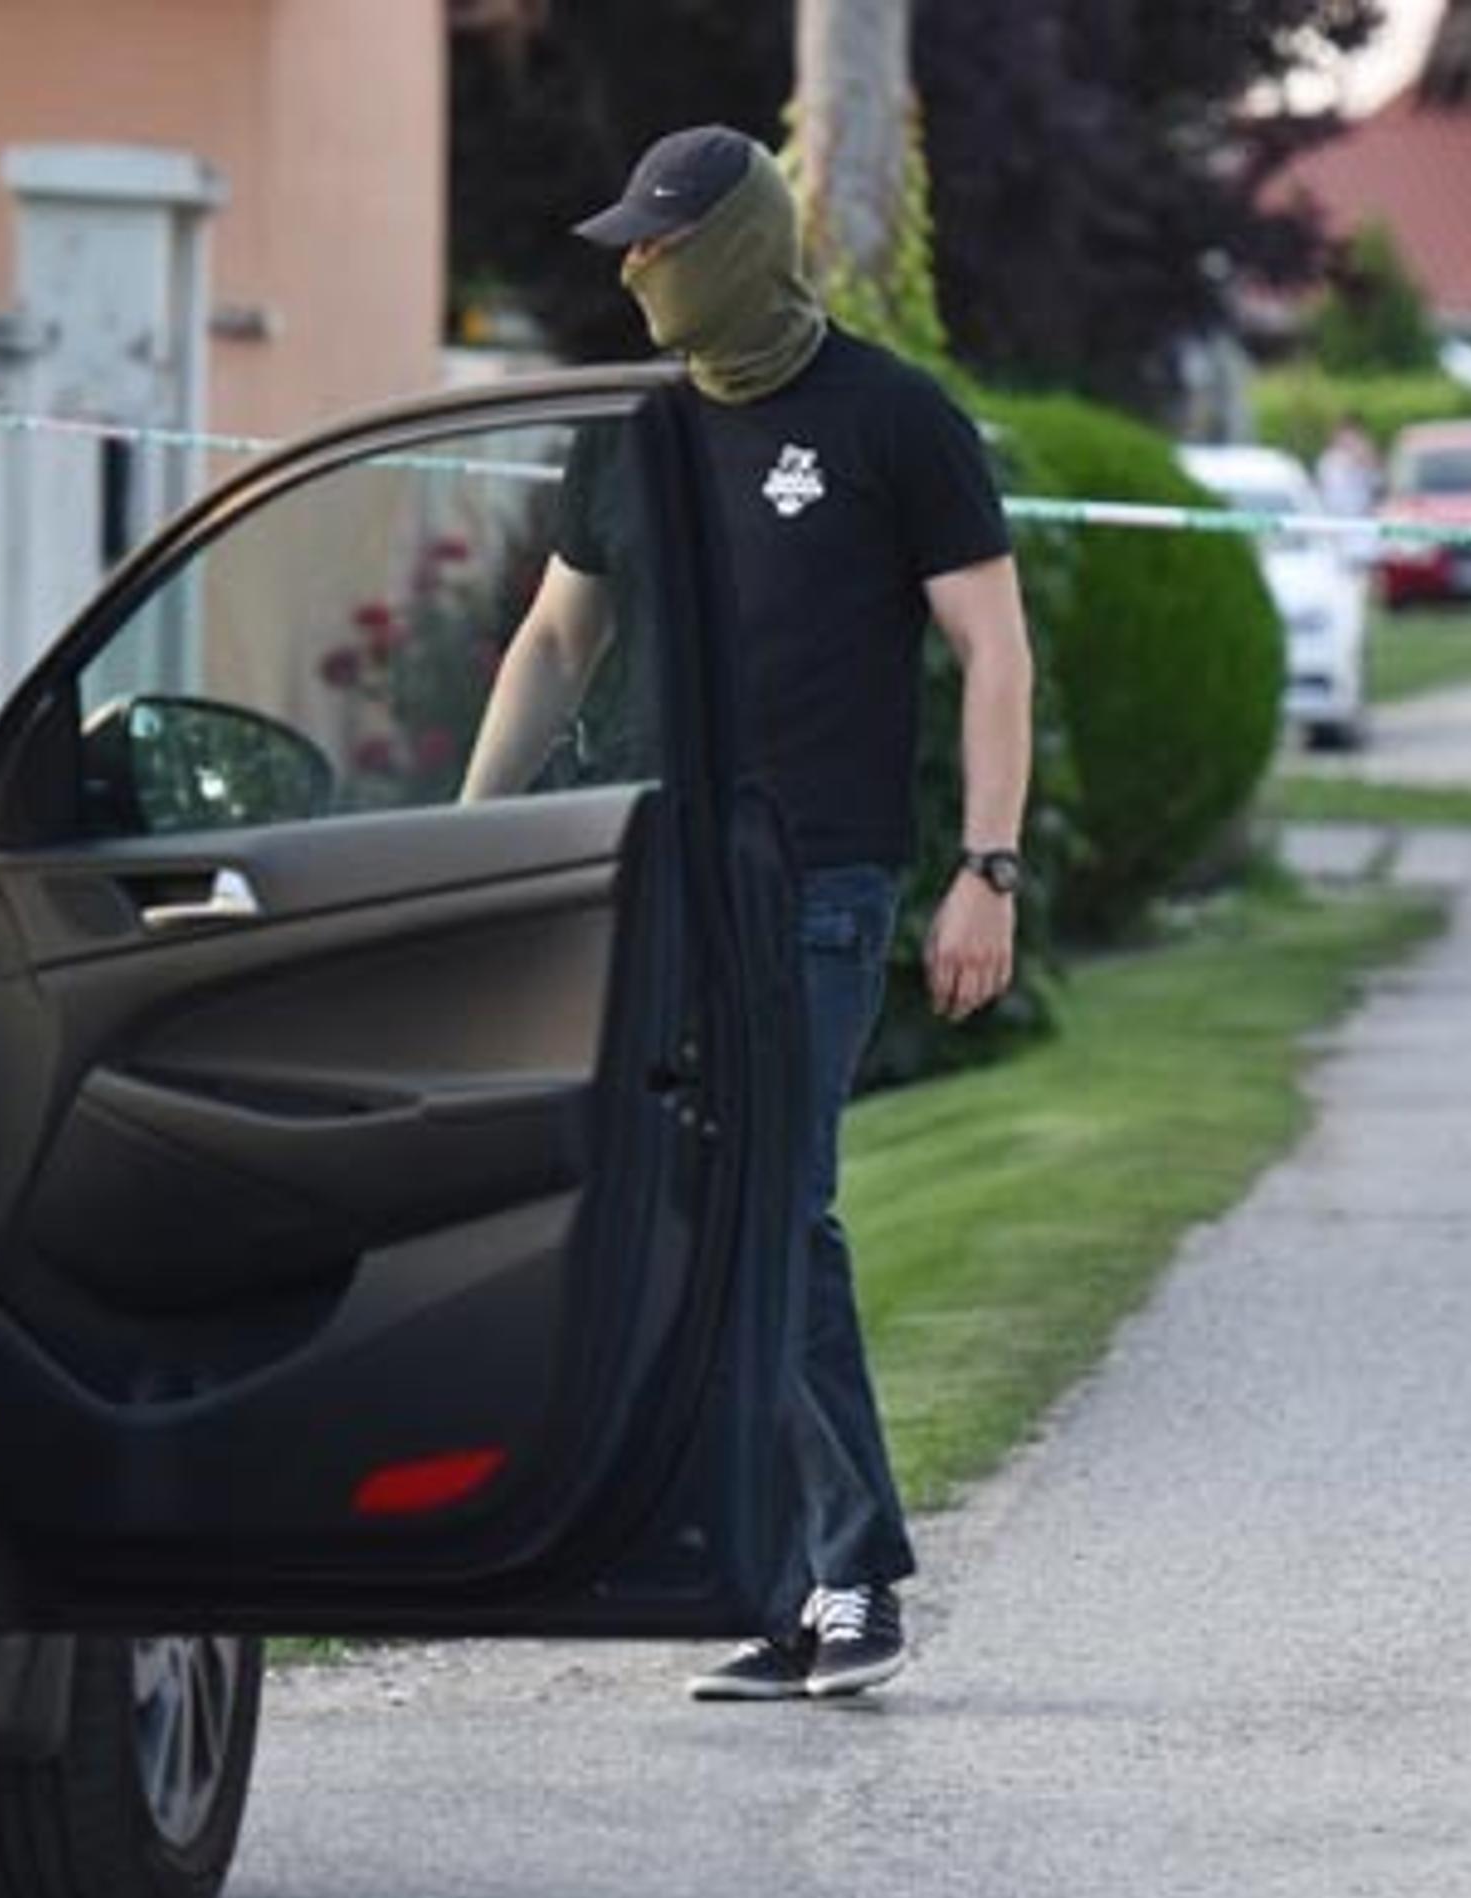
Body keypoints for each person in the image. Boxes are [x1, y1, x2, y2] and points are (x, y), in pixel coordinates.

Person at [459, 125, 1036, 1701]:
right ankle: (776, 1582)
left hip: (813, 883)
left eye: (657, 242)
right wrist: (469, 834)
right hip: (647, 869)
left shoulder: (890, 419)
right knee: (680, 1218)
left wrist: (986, 869)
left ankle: (853, 1580)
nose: (634, 269)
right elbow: (553, 644)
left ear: (733, 246)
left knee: (772, 1208)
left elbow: (993, 651)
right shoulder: (632, 434)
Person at [1315, 414, 1382, 519]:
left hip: (1361, 514)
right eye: (1345, 435)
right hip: (1333, 515)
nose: (1348, 439)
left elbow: (1378, 484)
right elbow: (1323, 488)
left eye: (1353, 435)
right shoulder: (1328, 459)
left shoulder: (1366, 457)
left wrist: (1367, 460)